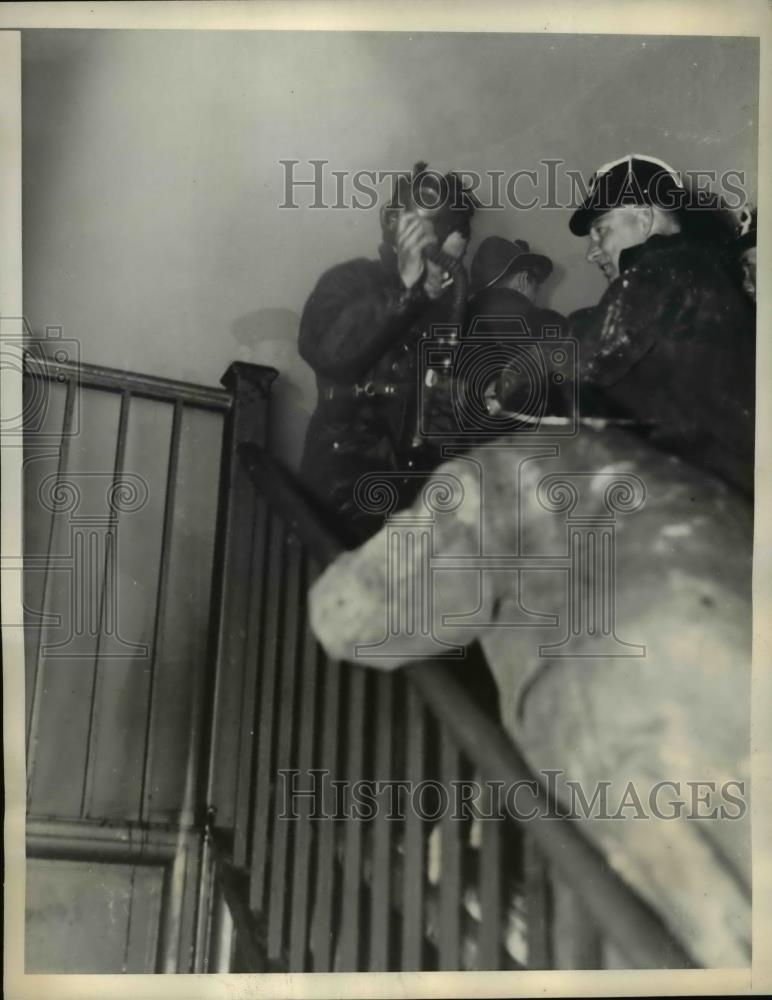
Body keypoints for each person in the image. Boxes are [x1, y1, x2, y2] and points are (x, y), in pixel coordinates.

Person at [298, 162, 478, 545]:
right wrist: (405, 288)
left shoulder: (462, 317)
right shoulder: (350, 282)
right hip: (348, 491)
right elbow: (331, 352)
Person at [566, 153, 755, 498]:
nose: (592, 252)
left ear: (644, 217)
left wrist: (500, 382)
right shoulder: (703, 269)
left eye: (601, 230)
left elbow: (584, 363)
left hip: (704, 495)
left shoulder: (662, 269)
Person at [465, 236, 566, 422]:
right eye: (536, 287)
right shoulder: (552, 327)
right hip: (518, 447)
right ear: (523, 279)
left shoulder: (453, 320)